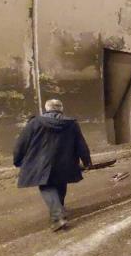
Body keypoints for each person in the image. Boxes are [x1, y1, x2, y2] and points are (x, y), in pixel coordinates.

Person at [13, 99, 91, 231]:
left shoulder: (35, 122)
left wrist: (17, 159)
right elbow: (80, 144)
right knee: (60, 184)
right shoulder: (71, 124)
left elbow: (21, 143)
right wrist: (86, 161)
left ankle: (57, 216)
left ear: (47, 108)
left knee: (46, 187)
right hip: (65, 162)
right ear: (61, 109)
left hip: (41, 163)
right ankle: (59, 210)